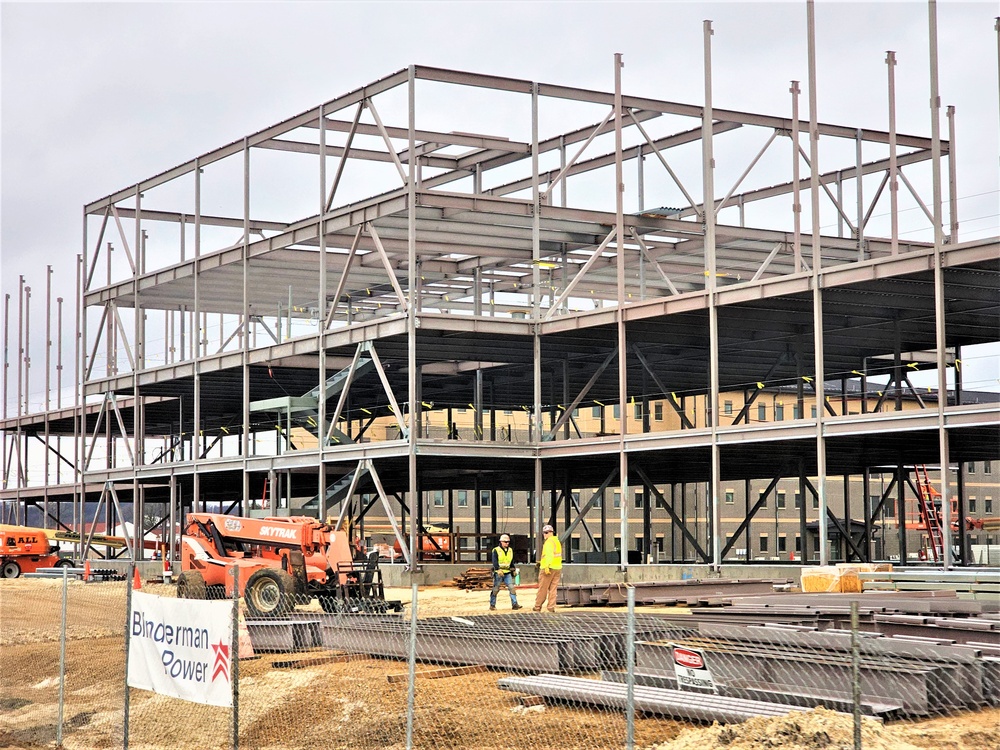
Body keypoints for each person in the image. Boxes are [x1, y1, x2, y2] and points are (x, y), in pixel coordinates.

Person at [533, 524, 562, 612]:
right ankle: (551, 607)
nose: (545, 535)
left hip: (548, 569)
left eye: (546, 533)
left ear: (551, 533)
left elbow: (549, 555)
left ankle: (538, 606)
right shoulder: (556, 541)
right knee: (553, 589)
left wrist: (546, 566)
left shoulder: (549, 542)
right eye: (544, 533)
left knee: (543, 588)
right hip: (557, 568)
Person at [489, 534, 522, 611]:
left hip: (507, 572)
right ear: (501, 542)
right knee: (496, 589)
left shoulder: (510, 550)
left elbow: (511, 561)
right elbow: (494, 561)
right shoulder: (496, 550)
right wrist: (497, 569)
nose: (507, 543)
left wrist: (513, 569)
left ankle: (514, 604)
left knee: (511, 588)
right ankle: (492, 605)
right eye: (505, 542)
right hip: (499, 573)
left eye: (508, 542)